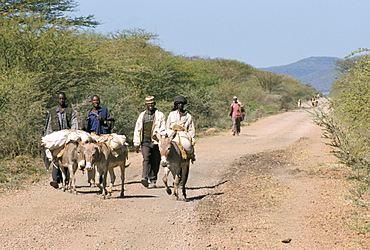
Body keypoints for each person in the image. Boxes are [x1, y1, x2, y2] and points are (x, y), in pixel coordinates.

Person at [44, 92, 79, 188]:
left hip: (67, 136)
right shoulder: (51, 111)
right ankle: (55, 179)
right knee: (56, 157)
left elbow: (74, 124)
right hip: (56, 138)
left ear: (65, 99)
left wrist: (73, 134)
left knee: (68, 157)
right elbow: (49, 125)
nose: (61, 100)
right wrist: (48, 138)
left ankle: (67, 180)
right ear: (57, 100)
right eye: (60, 99)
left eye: (63, 99)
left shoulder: (70, 111)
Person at [133, 96, 166, 188]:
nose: (150, 105)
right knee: (146, 158)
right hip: (145, 141)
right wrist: (136, 143)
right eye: (148, 103)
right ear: (146, 104)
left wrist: (158, 134)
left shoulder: (160, 115)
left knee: (155, 160)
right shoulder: (142, 115)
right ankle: (144, 177)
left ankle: (153, 180)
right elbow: (137, 129)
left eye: (152, 103)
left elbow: (163, 127)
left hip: (156, 141)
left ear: (154, 104)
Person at [166, 95, 196, 162]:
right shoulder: (171, 114)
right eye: (179, 103)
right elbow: (167, 126)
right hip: (172, 135)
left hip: (184, 135)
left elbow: (191, 129)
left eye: (182, 103)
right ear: (176, 105)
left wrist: (191, 139)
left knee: (188, 147)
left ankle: (190, 157)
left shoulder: (188, 116)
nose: (180, 105)